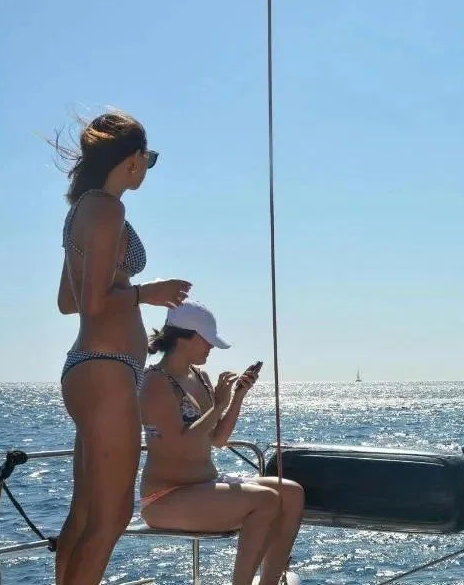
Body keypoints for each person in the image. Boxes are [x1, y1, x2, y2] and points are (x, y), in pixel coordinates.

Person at [53, 109, 193, 585]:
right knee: (111, 518)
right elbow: (92, 304)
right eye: (148, 159)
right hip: (107, 369)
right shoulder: (108, 209)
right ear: (132, 158)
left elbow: (66, 300)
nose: (146, 168)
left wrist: (126, 287)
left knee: (85, 515)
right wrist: (145, 292)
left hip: (91, 369)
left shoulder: (84, 208)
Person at [138, 301, 304, 585]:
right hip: (166, 497)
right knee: (266, 500)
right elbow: (179, 445)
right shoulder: (155, 382)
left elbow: (217, 439)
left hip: (205, 484)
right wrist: (217, 407)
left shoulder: (200, 377)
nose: (212, 347)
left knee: (291, 493)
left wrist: (236, 398)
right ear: (187, 337)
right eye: (208, 340)